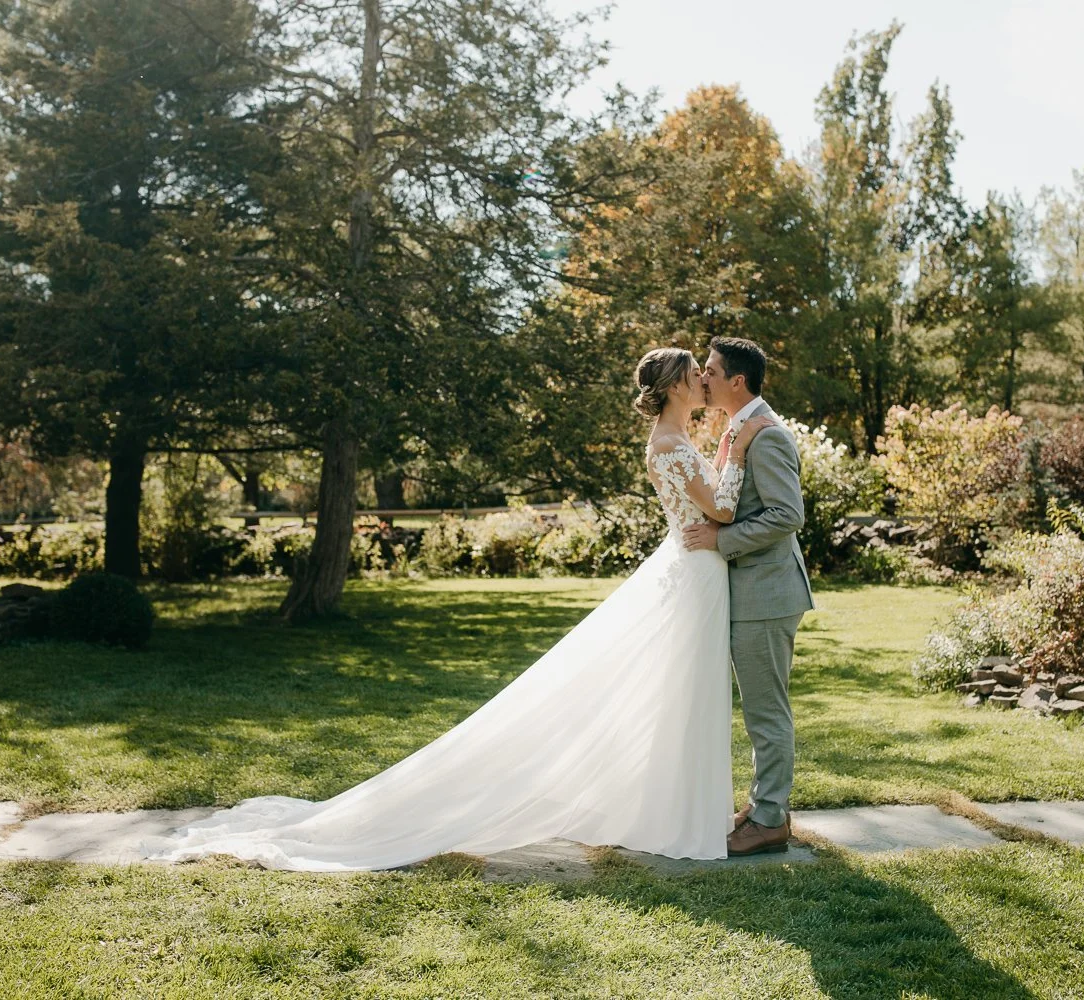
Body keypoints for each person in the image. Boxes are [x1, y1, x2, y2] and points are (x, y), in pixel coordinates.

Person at [143, 345, 779, 871]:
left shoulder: (674, 437)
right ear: (673, 388)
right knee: (676, 691)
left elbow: (713, 504)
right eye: (696, 377)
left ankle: (673, 809)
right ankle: (675, 814)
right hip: (693, 568)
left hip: (694, 568)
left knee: (675, 695)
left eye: (709, 376)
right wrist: (736, 452)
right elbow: (721, 510)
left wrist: (726, 453)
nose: (704, 384)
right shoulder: (671, 443)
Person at [685, 336, 814, 856]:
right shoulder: (740, 430)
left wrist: (722, 541)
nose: (704, 378)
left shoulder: (768, 436)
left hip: (767, 593)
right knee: (761, 708)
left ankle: (770, 820)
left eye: (711, 370)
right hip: (751, 591)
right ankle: (764, 805)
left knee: (766, 712)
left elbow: (787, 515)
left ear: (737, 380)